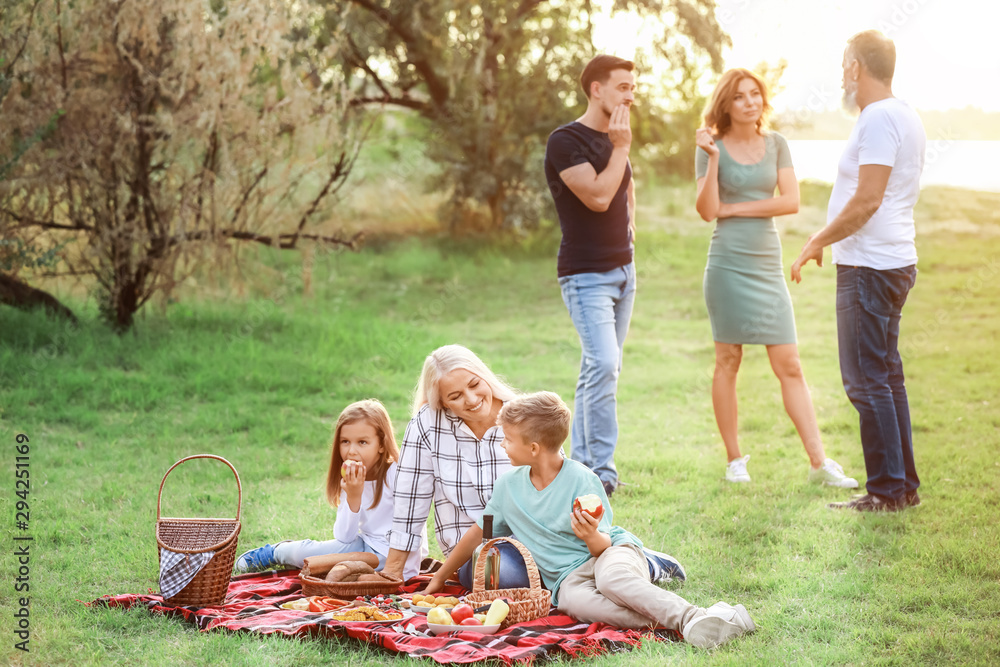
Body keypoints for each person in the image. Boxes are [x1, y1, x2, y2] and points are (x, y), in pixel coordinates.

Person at [424, 392, 752, 649]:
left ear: (534, 448)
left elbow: (601, 546)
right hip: (567, 578)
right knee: (577, 604)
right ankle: (697, 622)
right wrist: (441, 578)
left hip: (608, 553)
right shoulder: (508, 488)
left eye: (508, 439)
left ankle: (691, 615)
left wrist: (591, 534)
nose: (502, 444)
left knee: (612, 583)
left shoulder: (582, 480)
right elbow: (483, 534)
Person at [695, 68, 858, 489]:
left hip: (766, 263)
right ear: (726, 104)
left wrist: (735, 209)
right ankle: (735, 460)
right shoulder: (710, 146)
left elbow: (790, 201)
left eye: (755, 94)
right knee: (728, 360)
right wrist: (713, 160)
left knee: (790, 362)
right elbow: (707, 209)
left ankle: (819, 462)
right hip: (727, 265)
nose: (749, 102)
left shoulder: (777, 144)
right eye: (740, 97)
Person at [791, 30, 925, 512]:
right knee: (887, 376)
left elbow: (868, 198)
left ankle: (888, 490)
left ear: (856, 67)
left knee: (867, 380)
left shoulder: (878, 118)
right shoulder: (902, 114)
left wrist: (817, 239)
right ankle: (902, 487)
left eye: (844, 63)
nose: (841, 73)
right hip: (889, 260)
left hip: (870, 267)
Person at [544, 54, 637, 497]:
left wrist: (631, 240)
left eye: (632, 88)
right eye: (622, 87)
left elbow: (625, 193)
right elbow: (599, 197)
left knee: (599, 369)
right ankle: (601, 471)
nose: (630, 96)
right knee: (603, 364)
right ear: (596, 89)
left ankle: (582, 464)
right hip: (585, 276)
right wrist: (621, 147)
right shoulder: (565, 141)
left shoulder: (618, 141)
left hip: (623, 271)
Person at [379, 344, 531, 589]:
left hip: (534, 542)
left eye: (474, 385)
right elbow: (410, 500)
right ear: (442, 402)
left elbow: (557, 483)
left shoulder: (526, 416)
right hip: (470, 554)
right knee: (498, 575)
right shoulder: (428, 423)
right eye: (455, 396)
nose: (471, 400)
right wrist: (393, 570)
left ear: (484, 376)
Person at [235, 399, 428, 580]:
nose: (351, 451)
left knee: (338, 572)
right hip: (363, 547)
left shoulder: (398, 472)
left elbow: (414, 527)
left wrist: (406, 569)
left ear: (381, 444)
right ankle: (277, 552)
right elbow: (345, 537)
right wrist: (353, 496)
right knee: (309, 558)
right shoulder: (351, 476)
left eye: (362, 442)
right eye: (345, 442)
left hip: (397, 555)